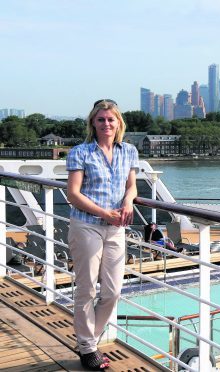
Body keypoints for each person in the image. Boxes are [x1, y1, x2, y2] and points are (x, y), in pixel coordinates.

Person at [66, 99, 139, 370]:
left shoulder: (129, 151)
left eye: (111, 119)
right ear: (93, 124)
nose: (106, 124)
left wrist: (129, 201)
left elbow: (131, 187)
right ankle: (87, 348)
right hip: (86, 225)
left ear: (118, 122)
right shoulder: (80, 152)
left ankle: (89, 341)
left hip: (116, 228)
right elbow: (73, 194)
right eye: (101, 120)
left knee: (112, 291)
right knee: (86, 287)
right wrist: (104, 213)